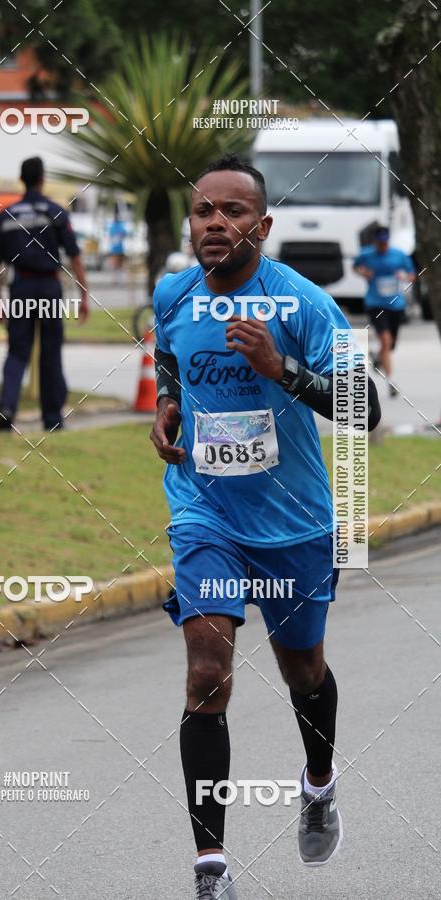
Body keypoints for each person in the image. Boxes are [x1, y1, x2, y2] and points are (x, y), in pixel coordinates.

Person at [150, 153, 381, 898]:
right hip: (205, 510)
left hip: (293, 523)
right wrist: (168, 404)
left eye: (234, 211)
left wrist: (282, 370)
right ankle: (211, 869)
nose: (215, 223)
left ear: (263, 225)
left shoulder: (305, 304)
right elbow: (168, 355)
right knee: (206, 673)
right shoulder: (173, 292)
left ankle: (318, 783)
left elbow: (367, 409)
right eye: (203, 211)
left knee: (303, 671)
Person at [0, 156, 89, 431]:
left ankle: (7, 407)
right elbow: (75, 257)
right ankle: (52, 417)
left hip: (21, 288)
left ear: (21, 179)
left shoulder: (6, 216)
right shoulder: (55, 212)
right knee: (50, 352)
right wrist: (84, 295)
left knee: (17, 352)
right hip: (48, 289)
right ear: (43, 178)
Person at [353, 225, 416, 397]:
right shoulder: (366, 254)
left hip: (396, 305)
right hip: (375, 304)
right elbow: (355, 267)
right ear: (375, 242)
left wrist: (404, 277)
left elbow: (412, 274)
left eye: (385, 243)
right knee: (386, 341)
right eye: (380, 243)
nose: (383, 246)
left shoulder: (399, 255)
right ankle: (391, 382)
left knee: (391, 345)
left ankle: (378, 357)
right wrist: (364, 272)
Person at [107, 211, 128, 278]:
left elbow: (124, 234)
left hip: (117, 249)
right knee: (118, 264)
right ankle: (117, 276)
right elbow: (125, 234)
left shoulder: (115, 226)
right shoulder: (118, 226)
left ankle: (117, 276)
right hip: (117, 249)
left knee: (118, 264)